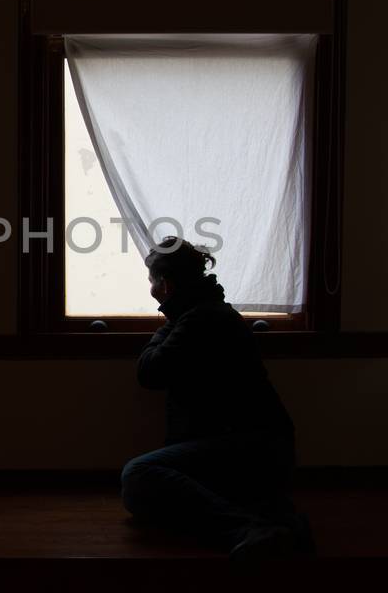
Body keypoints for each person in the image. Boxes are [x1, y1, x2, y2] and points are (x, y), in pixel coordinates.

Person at [120, 237, 314, 564]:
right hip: (258, 446)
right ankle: (278, 522)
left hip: (248, 446)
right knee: (149, 490)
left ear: (165, 284)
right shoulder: (210, 313)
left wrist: (167, 319)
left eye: (153, 283)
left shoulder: (201, 319)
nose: (152, 292)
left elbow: (149, 372)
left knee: (138, 475)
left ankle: (249, 530)